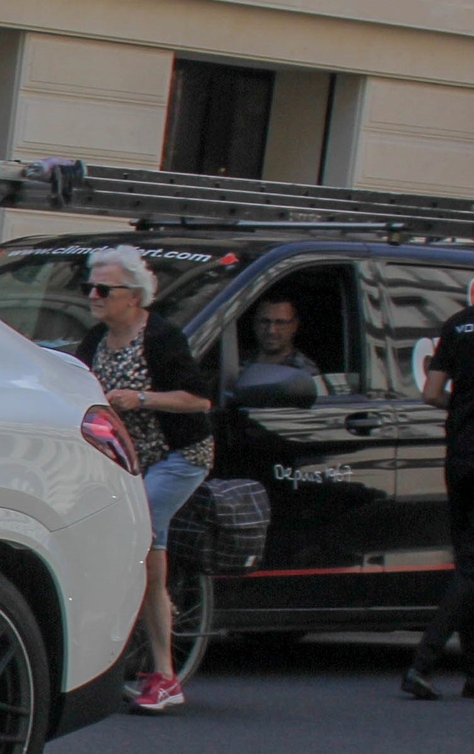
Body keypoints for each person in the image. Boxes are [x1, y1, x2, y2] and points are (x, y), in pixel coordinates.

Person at [77, 246, 214, 713]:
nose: (93, 296)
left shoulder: (160, 337)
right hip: (126, 465)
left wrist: (141, 397)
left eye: (103, 289)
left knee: (135, 537)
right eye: (89, 287)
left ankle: (155, 669)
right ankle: (159, 672)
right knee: (149, 563)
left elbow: (199, 401)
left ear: (134, 296)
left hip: (178, 457)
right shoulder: (95, 339)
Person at [401, 297, 474, 699]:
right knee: (472, 569)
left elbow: (431, 392)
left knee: (468, 562)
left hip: (460, 455)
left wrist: (462, 403)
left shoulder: (458, 325)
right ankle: (422, 663)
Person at [248, 295, 319, 377]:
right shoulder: (236, 363)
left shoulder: (304, 371)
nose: (271, 331)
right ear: (254, 324)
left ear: (294, 325)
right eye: (264, 322)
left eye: (280, 323)